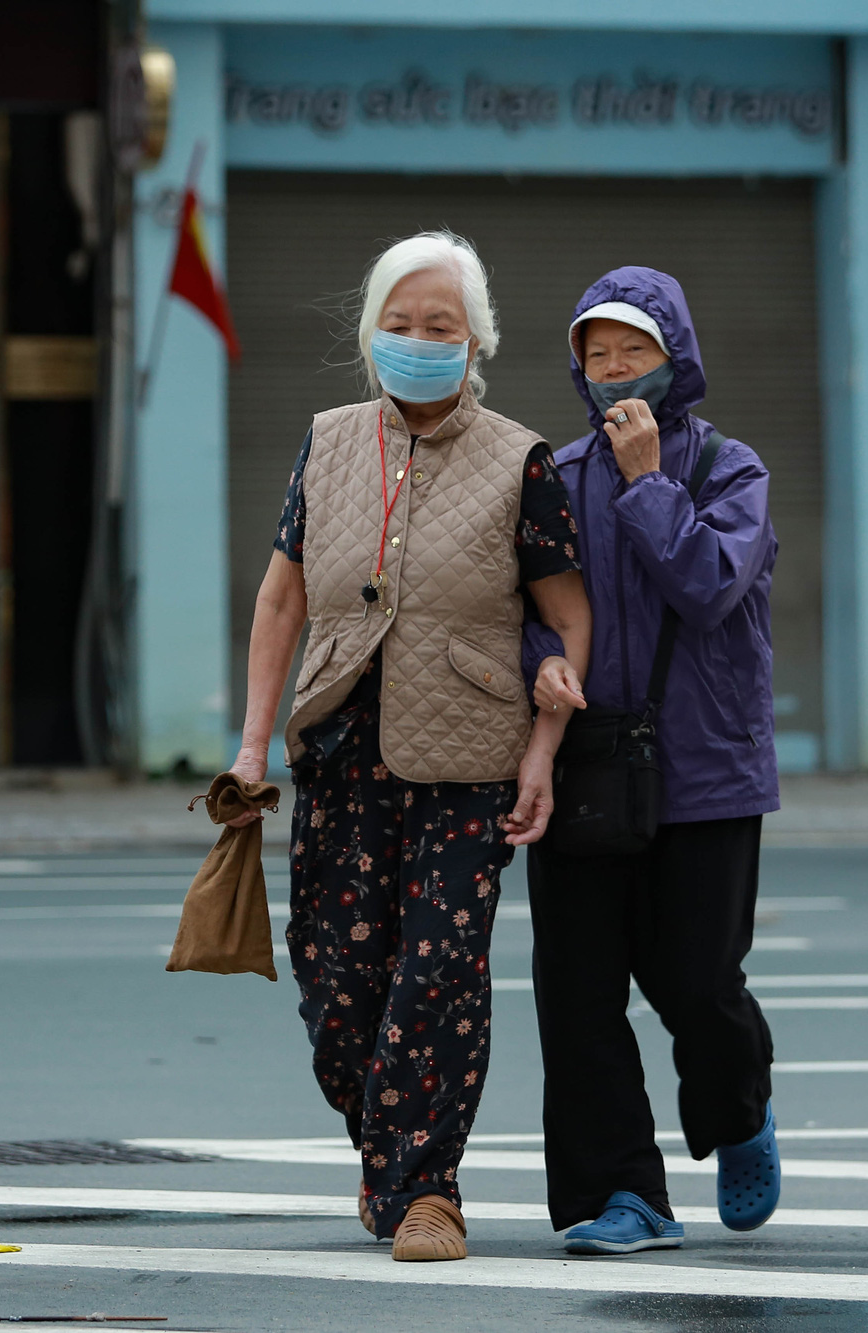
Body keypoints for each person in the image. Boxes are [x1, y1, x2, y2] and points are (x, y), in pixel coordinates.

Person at [226, 232, 591, 1264]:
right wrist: (252, 747)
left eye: (440, 326)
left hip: (468, 755)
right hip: (339, 745)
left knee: (435, 976)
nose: (419, 341)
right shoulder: (328, 439)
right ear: (369, 333)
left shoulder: (519, 459)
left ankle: (429, 1190)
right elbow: (281, 595)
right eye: (400, 324)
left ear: (474, 340)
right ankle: (386, 1147)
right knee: (335, 979)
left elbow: (567, 614)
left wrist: (541, 751)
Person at [520, 267, 783, 1256]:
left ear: (676, 359)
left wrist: (644, 483)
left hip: (707, 774)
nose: (614, 367)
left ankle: (737, 1114)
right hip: (588, 766)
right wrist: (542, 665)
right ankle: (622, 1195)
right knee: (577, 992)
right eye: (596, 351)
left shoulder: (729, 468)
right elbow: (526, 605)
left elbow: (710, 585)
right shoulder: (552, 474)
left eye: (634, 347)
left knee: (698, 986)